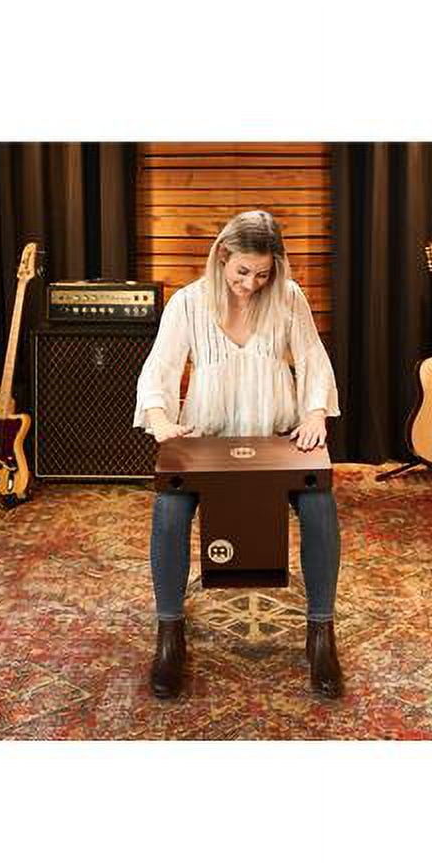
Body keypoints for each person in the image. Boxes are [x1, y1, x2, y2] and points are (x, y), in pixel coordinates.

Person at [133, 210, 343, 699]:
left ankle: (321, 633)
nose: (251, 285)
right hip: (206, 440)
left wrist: (315, 413)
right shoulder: (187, 303)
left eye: (263, 274)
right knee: (168, 510)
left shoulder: (288, 298)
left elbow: (312, 359)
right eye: (242, 271)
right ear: (222, 256)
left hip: (277, 438)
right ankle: (169, 634)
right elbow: (159, 369)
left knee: (320, 506)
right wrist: (160, 420)